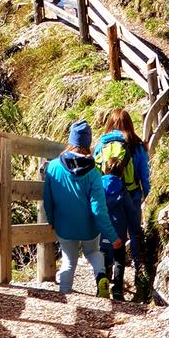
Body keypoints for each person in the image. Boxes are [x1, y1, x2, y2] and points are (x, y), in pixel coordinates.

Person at [43, 119, 123, 297]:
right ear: (88, 143)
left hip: (64, 226)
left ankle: (64, 293)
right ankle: (101, 276)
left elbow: (47, 199)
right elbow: (99, 210)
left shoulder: (53, 167)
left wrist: (51, 220)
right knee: (93, 252)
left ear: (70, 140)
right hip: (89, 228)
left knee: (69, 260)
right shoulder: (93, 172)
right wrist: (112, 236)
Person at [93, 109, 151, 298]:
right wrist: (147, 194)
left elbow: (94, 172)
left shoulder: (101, 144)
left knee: (109, 233)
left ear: (110, 123)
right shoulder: (136, 145)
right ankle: (139, 272)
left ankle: (106, 272)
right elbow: (144, 173)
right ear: (129, 124)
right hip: (131, 193)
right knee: (134, 232)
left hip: (106, 195)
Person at [99, 154, 138, 301]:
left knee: (102, 256)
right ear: (122, 172)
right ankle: (117, 290)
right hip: (119, 232)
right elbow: (131, 211)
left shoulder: (98, 187)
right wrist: (135, 230)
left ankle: (101, 282)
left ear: (105, 170)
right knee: (119, 260)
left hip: (102, 231)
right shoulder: (122, 189)